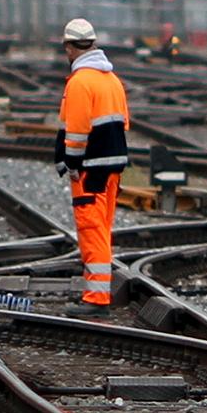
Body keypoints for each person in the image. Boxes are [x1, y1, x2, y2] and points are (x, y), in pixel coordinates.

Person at [53, 18, 130, 317]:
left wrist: (71, 163)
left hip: (89, 170)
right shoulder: (111, 80)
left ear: (70, 48)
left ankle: (97, 299)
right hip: (112, 168)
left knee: (91, 229)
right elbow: (124, 122)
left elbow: (76, 132)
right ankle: (98, 291)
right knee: (103, 229)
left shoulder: (81, 82)